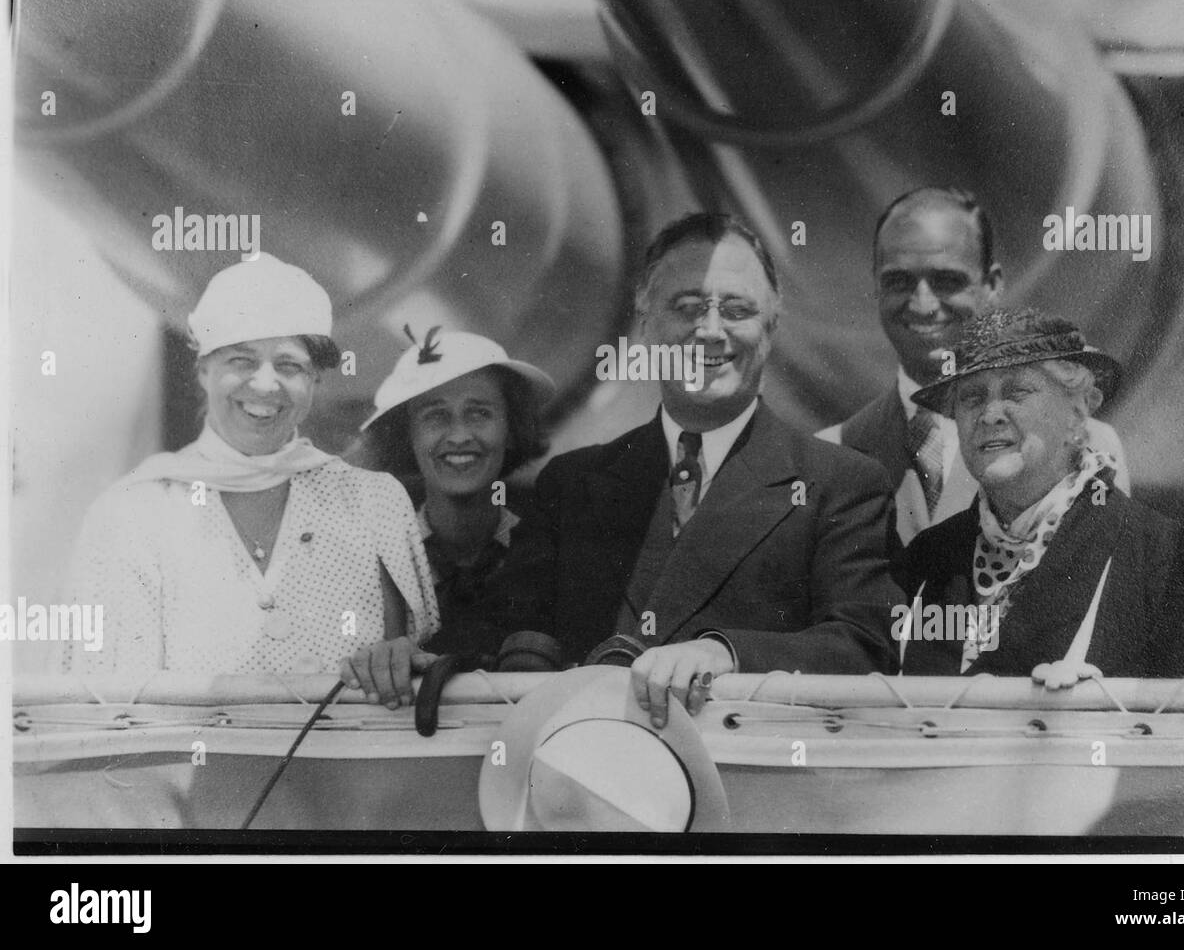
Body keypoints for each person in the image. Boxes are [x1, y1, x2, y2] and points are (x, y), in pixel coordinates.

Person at [500, 212, 905, 727]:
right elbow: (516, 639)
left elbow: (865, 644)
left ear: (771, 327)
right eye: (686, 307)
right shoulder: (571, 483)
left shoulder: (841, 484)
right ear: (645, 324)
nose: (711, 332)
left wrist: (724, 654)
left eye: (736, 310)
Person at [63, 255, 438, 674]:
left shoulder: (374, 504)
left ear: (315, 379)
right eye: (241, 360)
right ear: (203, 369)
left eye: (289, 365)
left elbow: (403, 684)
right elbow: (112, 713)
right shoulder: (131, 516)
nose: (264, 383)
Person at [892, 307, 1184, 683]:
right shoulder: (928, 556)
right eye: (971, 398)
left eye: (1017, 391)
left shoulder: (1157, 553)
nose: (989, 414)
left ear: (1076, 413)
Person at [817, 187, 1130, 546]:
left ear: (992, 285)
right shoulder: (830, 456)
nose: (923, 304)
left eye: (947, 281)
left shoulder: (1086, 445)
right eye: (899, 281)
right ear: (876, 286)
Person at [340, 327, 556, 707]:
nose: (459, 436)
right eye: (436, 416)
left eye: (479, 413)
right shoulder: (367, 552)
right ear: (406, 436)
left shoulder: (554, 542)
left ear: (511, 428)